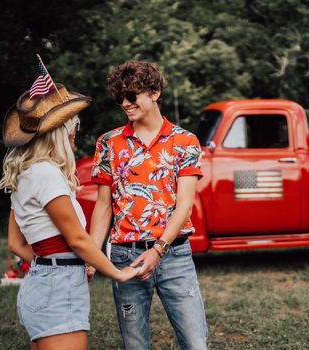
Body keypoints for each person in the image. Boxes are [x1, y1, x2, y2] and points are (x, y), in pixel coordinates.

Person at [0, 84, 140, 350]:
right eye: (74, 133)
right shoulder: (47, 174)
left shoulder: (25, 175)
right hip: (58, 292)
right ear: (61, 135)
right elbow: (77, 239)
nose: (75, 140)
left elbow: (16, 245)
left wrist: (63, 264)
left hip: (40, 283)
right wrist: (117, 273)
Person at [88, 60, 208, 349]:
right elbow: (103, 207)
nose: (125, 104)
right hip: (124, 258)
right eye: (120, 99)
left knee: (195, 343)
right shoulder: (108, 143)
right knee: (135, 345)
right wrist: (92, 256)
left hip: (174, 255)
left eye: (131, 96)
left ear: (154, 93)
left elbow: (184, 206)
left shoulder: (185, 141)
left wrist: (159, 249)